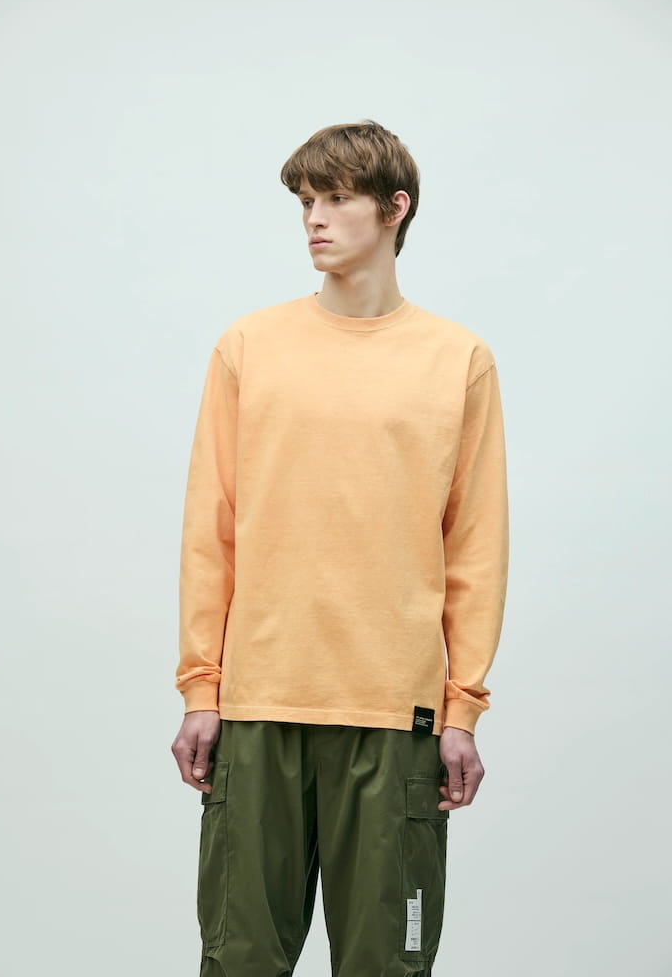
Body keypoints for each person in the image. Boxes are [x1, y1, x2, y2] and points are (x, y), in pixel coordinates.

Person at [171, 119, 510, 976]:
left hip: (396, 715)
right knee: (240, 960)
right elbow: (211, 532)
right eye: (305, 202)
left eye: (335, 199)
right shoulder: (249, 347)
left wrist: (461, 709)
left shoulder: (456, 360)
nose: (313, 219)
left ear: (395, 208)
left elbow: (475, 549)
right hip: (259, 707)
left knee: (386, 964)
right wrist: (201, 687)